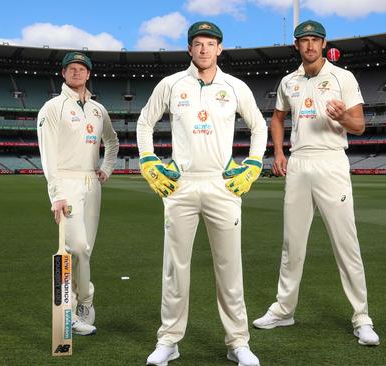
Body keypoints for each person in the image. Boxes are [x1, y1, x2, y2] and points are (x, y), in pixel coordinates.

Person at [137, 21, 267, 366]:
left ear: (220, 49)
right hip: (181, 185)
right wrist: (148, 160)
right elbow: (144, 122)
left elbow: (259, 125)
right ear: (190, 49)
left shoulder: (235, 87)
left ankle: (238, 342)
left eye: (211, 43)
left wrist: (253, 164)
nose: (204, 49)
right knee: (175, 267)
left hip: (222, 185)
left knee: (229, 266)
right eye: (198, 43)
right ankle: (169, 340)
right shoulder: (171, 84)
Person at [252, 20, 380, 346]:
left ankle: (361, 317)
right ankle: (284, 310)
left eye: (315, 40)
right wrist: (279, 152)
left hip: (331, 160)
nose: (309, 45)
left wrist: (342, 118)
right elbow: (278, 118)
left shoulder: (343, 77)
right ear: (296, 45)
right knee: (291, 244)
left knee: (346, 244)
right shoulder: (288, 82)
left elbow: (360, 125)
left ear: (323, 44)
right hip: (298, 164)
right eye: (304, 40)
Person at [37, 51, 119, 336]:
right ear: (63, 73)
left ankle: (81, 306)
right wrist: (56, 194)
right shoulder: (52, 107)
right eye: (70, 68)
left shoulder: (98, 110)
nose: (76, 72)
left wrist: (106, 168)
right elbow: (47, 156)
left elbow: (112, 140)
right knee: (76, 248)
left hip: (91, 184)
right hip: (67, 184)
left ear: (88, 74)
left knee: (86, 252)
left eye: (81, 68)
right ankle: (76, 308)